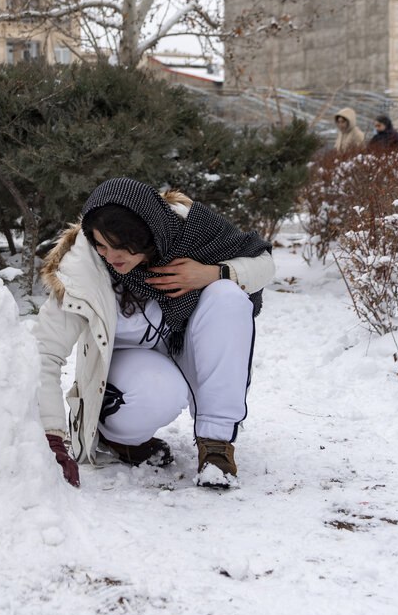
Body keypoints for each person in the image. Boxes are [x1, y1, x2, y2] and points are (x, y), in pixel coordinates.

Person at [35, 178, 275, 489]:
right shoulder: (84, 272)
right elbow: (44, 353)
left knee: (228, 295)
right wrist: (52, 438)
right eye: (102, 245)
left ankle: (216, 446)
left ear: (148, 232)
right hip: (131, 372)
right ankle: (120, 438)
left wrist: (212, 273)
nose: (112, 256)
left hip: (188, 344)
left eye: (121, 244)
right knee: (162, 390)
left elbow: (264, 264)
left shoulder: (190, 231)